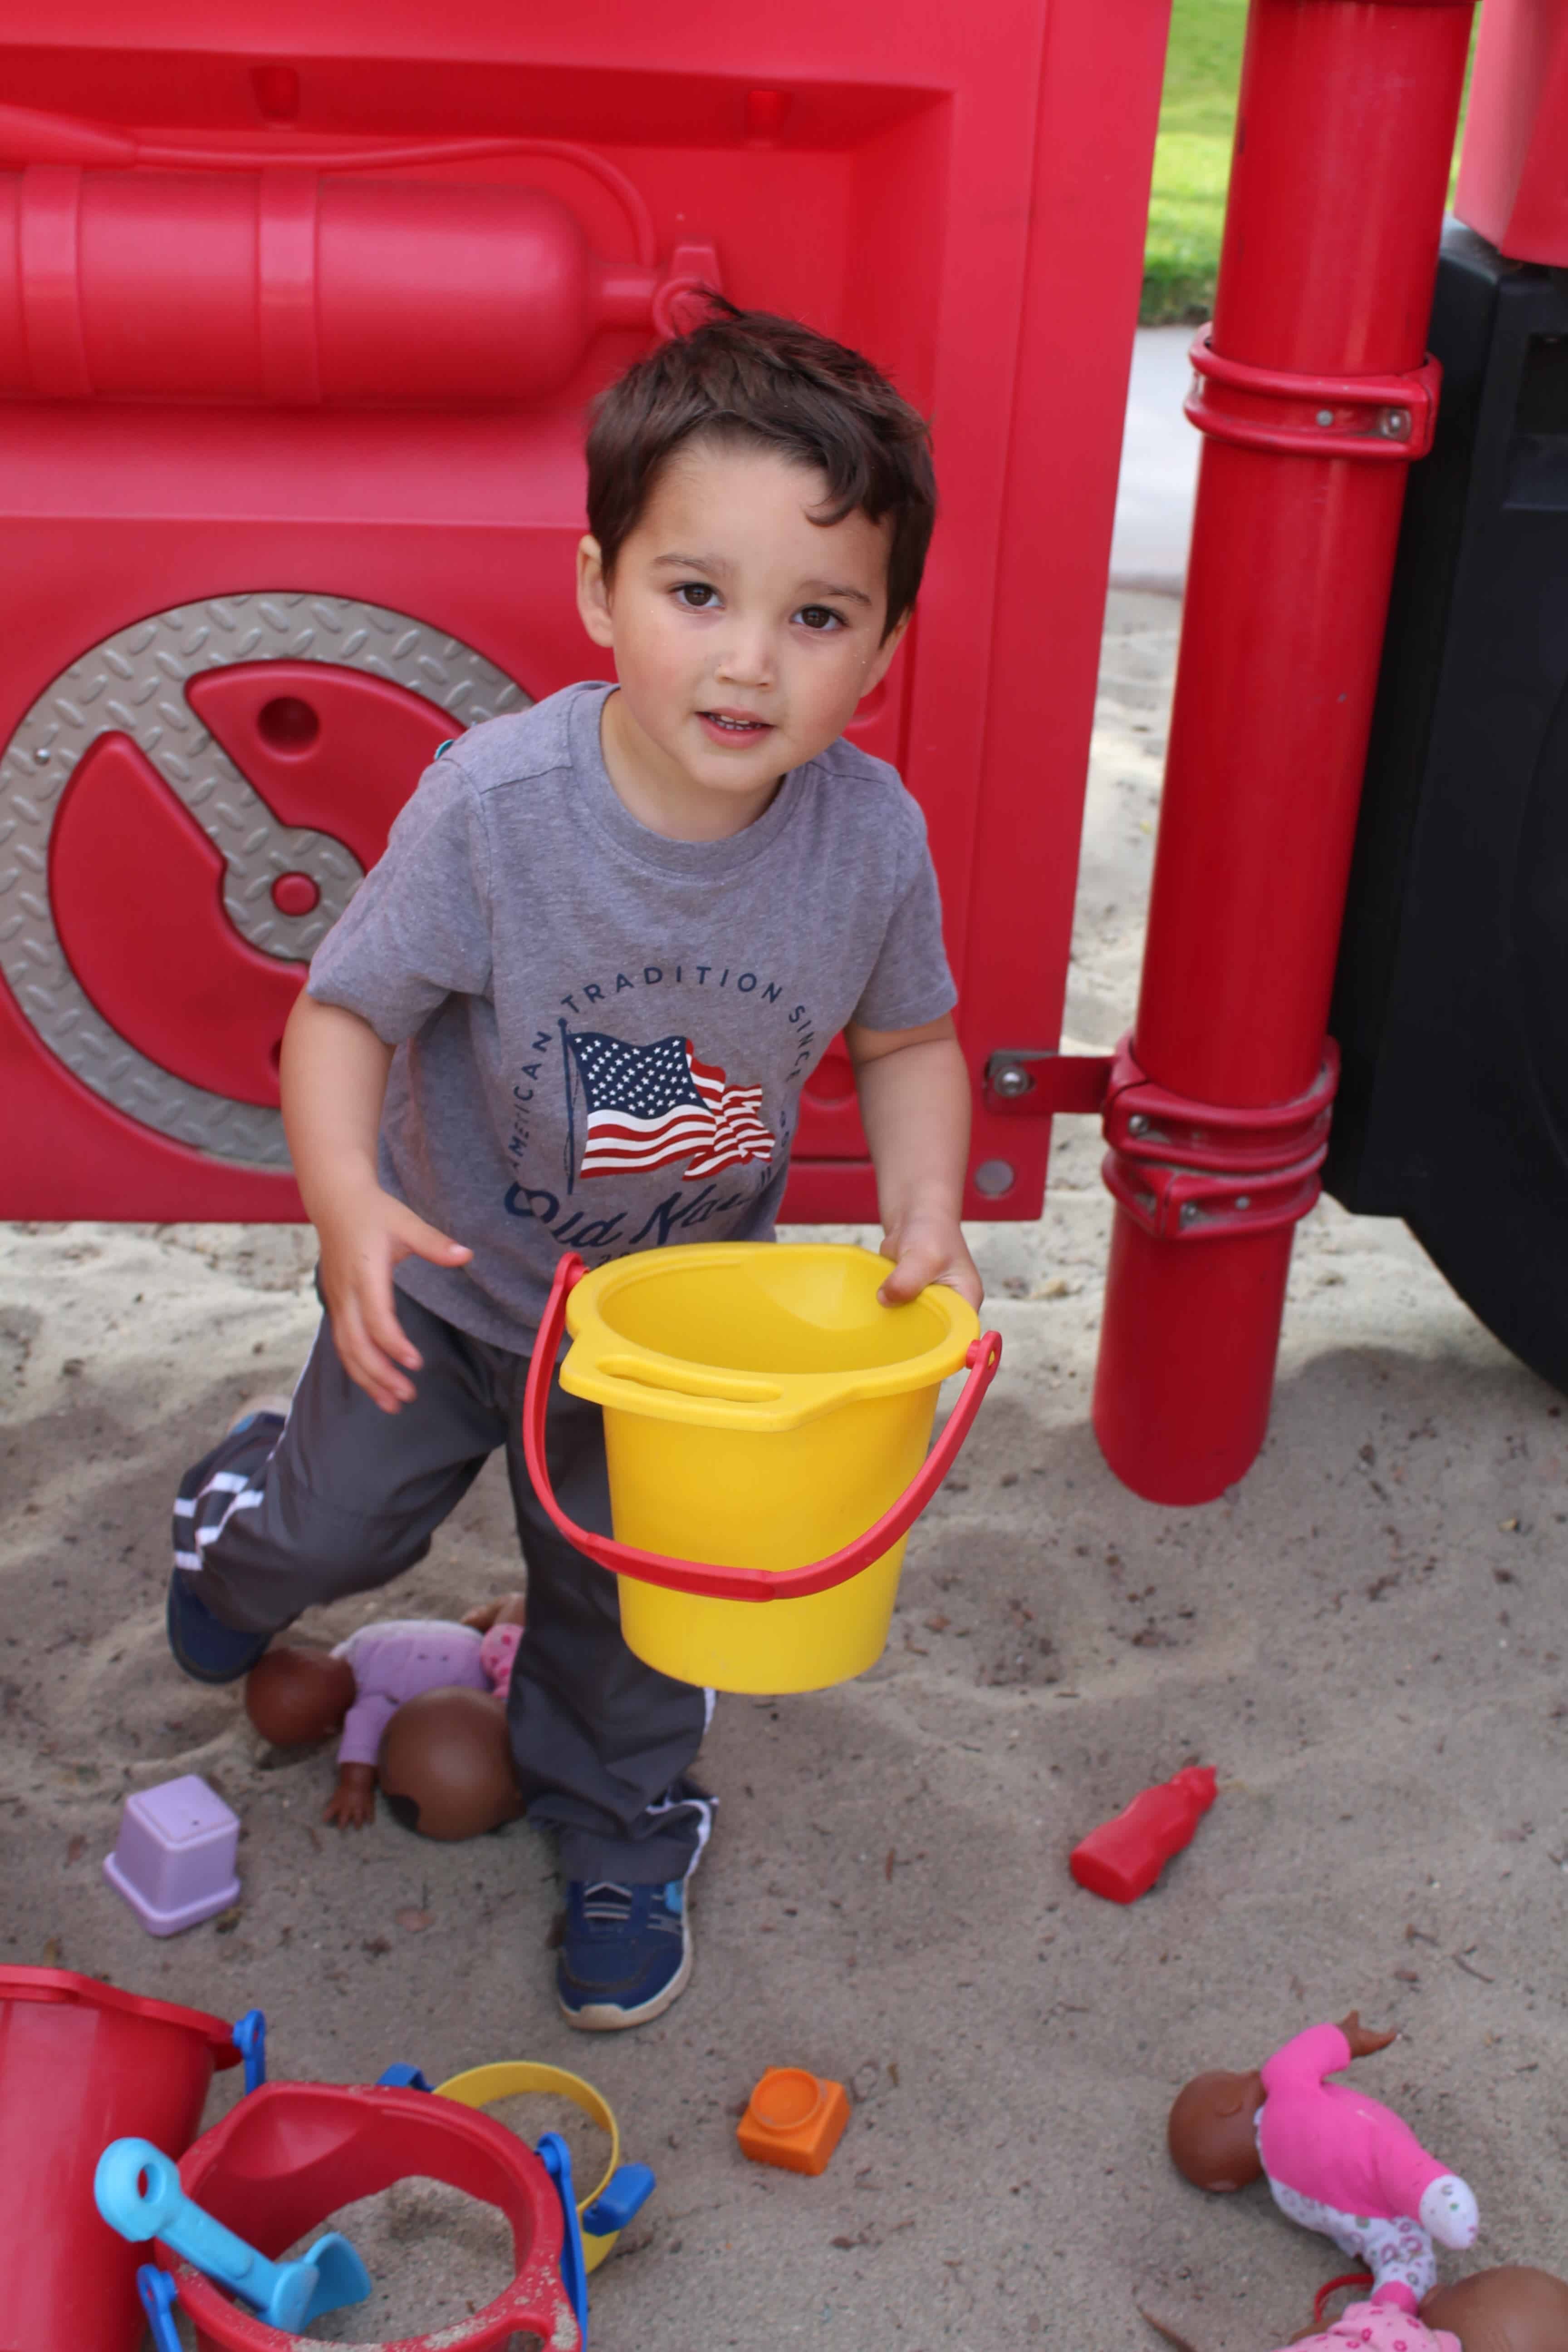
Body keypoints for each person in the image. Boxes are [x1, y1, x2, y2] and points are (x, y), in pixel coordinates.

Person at [166, 298, 982, 2030]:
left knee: (628, 1613)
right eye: (700, 595)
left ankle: (622, 1823)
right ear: (603, 589)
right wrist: (342, 1204)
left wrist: (927, 1205)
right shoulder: (499, 807)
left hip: (671, 1344)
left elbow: (906, 1041)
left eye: (818, 615)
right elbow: (345, 1011)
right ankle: (229, 1525)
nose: (751, 661)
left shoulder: (871, 842)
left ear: (886, 646)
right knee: (335, 1526)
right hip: (457, 1289)